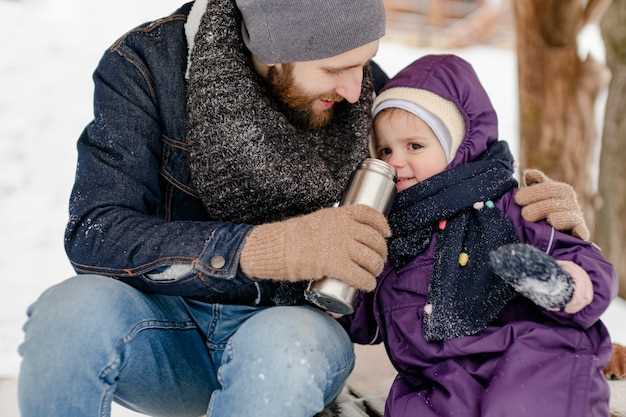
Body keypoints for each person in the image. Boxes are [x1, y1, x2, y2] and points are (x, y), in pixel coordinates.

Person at [17, 0, 589, 415]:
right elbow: (95, 232)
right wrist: (265, 248)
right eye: (334, 69)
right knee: (69, 314)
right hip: (167, 331)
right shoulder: (148, 67)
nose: (353, 90)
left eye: (363, 63)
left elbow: (455, 204)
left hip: (295, 334)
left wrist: (545, 225)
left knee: (282, 349)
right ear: (275, 48)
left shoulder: (369, 93)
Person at [342, 54, 617, 417]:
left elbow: (588, 264)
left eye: (415, 146)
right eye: (386, 150)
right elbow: (367, 320)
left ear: (459, 146)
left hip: (530, 353)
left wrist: (564, 283)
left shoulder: (509, 206)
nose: (395, 160)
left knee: (523, 402)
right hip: (439, 377)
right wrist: (339, 292)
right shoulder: (394, 232)